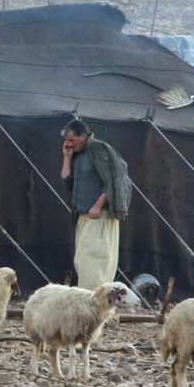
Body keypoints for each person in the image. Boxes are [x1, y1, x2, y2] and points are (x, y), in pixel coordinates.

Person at [60, 119, 130, 290]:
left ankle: (94, 307)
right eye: (66, 140)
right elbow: (67, 182)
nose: (68, 143)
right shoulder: (78, 155)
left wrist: (98, 205)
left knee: (94, 261)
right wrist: (67, 157)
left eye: (71, 139)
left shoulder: (99, 149)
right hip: (84, 216)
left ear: (83, 136)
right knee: (83, 262)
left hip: (99, 216)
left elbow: (114, 180)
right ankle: (95, 306)